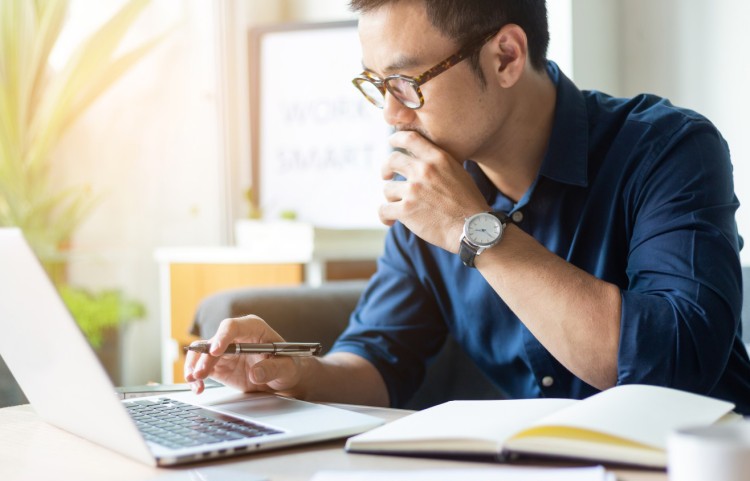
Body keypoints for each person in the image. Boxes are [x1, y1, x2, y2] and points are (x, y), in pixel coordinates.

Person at [185, 0, 750, 414]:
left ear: (506, 56)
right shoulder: (434, 184)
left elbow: (675, 359)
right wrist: (291, 371)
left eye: (406, 82)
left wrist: (472, 229)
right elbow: (381, 359)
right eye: (376, 84)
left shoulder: (669, 148)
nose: (390, 113)